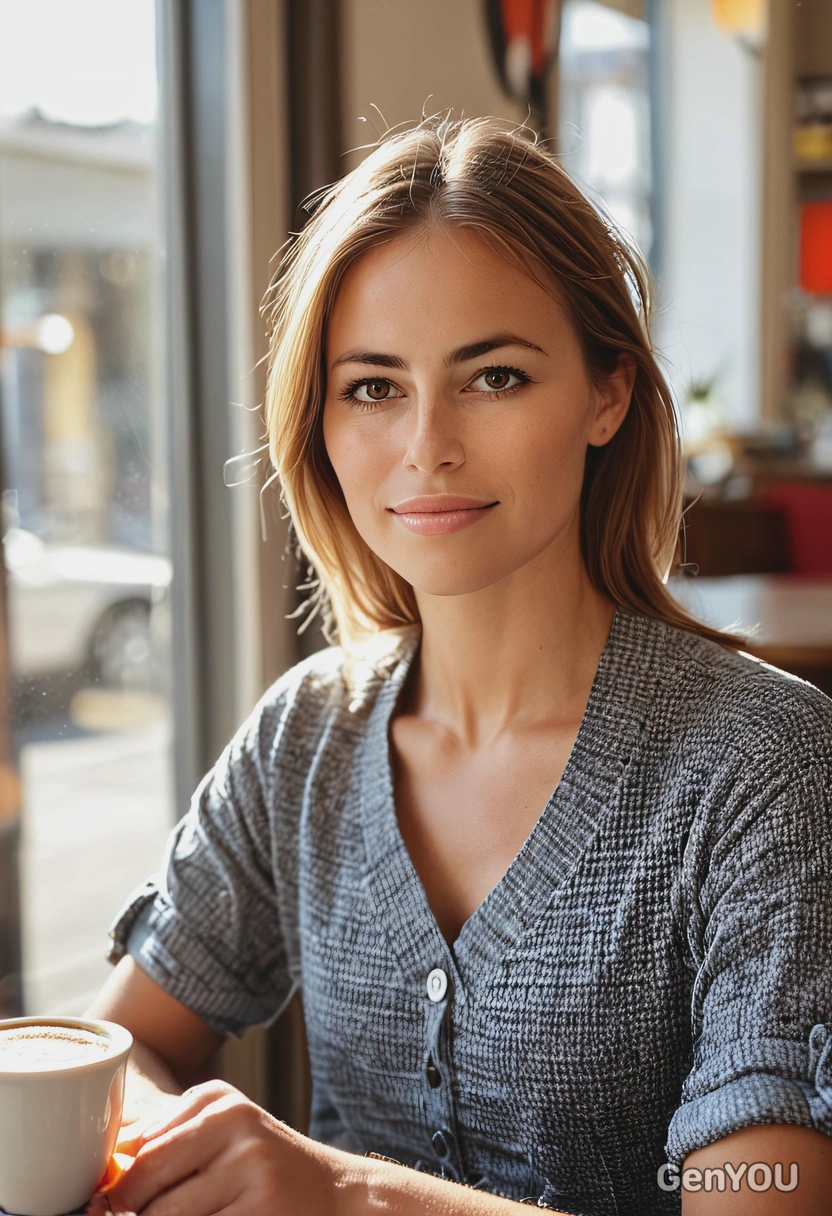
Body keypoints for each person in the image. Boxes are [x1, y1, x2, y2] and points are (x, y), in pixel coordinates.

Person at [86, 116, 832, 1216]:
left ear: (606, 392)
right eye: (374, 387)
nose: (426, 443)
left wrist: (346, 1193)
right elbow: (118, 1049)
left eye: (493, 375)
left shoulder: (762, 764)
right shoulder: (307, 735)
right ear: (321, 425)